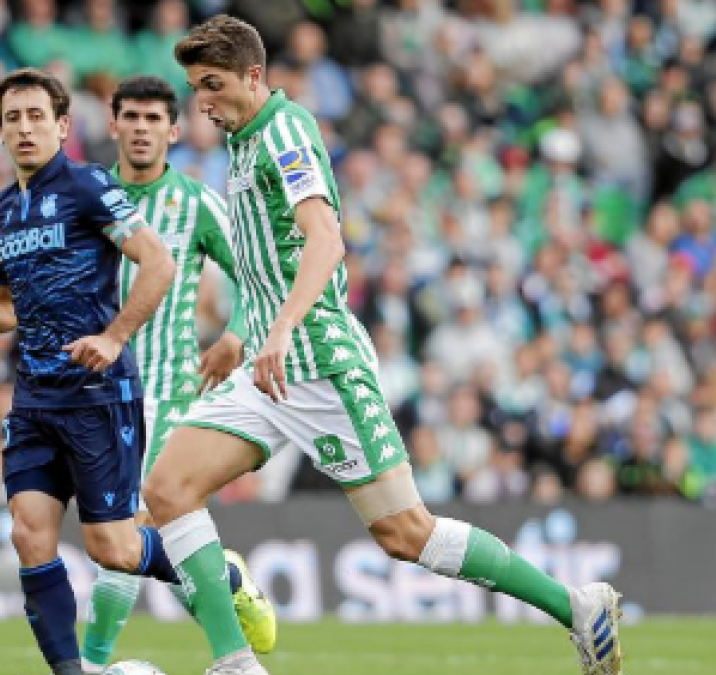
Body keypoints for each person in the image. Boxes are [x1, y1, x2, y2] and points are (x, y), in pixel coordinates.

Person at [141, 15, 624, 675]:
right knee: (168, 487)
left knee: (406, 533)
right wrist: (240, 334)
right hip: (265, 370)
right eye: (196, 86)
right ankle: (235, 663)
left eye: (214, 83)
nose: (202, 101)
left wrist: (279, 326)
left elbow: (325, 239)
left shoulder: (284, 131)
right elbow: (266, 256)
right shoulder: (243, 140)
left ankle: (576, 604)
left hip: (322, 365)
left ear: (254, 76)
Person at [0, 68, 261, 675]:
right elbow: (5, 307)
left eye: (36, 116)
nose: (24, 128)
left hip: (98, 395)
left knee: (115, 550)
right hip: (35, 402)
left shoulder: (88, 186)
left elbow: (158, 264)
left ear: (62, 126)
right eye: (12, 118)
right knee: (28, 533)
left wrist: (113, 335)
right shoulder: (4, 209)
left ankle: (218, 569)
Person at [81, 74, 275, 674]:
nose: (141, 129)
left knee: (128, 527)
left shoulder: (194, 203)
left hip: (163, 393)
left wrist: (238, 335)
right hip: (89, 398)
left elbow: (257, 274)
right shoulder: (85, 197)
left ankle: (91, 664)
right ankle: (228, 574)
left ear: (173, 129)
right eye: (130, 118)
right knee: (117, 540)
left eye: (152, 119)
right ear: (113, 125)